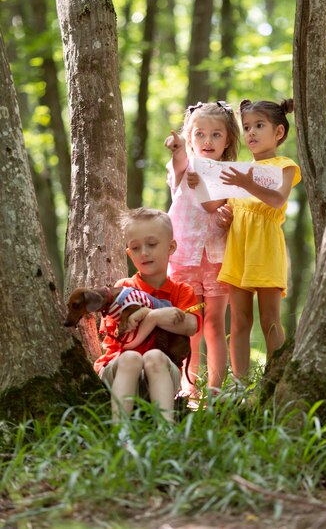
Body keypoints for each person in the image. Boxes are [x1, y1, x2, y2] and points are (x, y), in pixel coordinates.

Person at [217, 98, 301, 380]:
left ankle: (275, 380)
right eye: (248, 127)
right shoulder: (237, 171)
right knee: (240, 321)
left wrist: (247, 183)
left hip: (266, 249)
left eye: (259, 126)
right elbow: (235, 209)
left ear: (278, 133)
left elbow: (277, 200)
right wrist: (226, 218)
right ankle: (239, 384)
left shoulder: (284, 165)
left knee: (270, 320)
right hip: (238, 249)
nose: (251, 132)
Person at [94, 207, 201, 423]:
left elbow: (190, 325)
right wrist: (159, 316)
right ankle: (120, 432)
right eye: (136, 247)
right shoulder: (123, 288)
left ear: (171, 247)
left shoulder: (182, 291)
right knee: (132, 358)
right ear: (129, 253)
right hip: (119, 369)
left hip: (162, 373)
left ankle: (165, 430)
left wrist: (148, 316)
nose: (144, 252)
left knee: (155, 357)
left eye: (152, 244)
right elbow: (125, 341)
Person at [164, 101, 240, 396]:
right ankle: (188, 389)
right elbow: (179, 164)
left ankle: (216, 390)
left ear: (228, 139)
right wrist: (179, 149)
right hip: (184, 258)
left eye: (216, 135)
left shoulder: (231, 174)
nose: (207, 141)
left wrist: (229, 217)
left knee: (214, 326)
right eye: (200, 134)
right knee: (190, 326)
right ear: (190, 136)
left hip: (217, 259)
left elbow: (228, 210)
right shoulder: (186, 167)